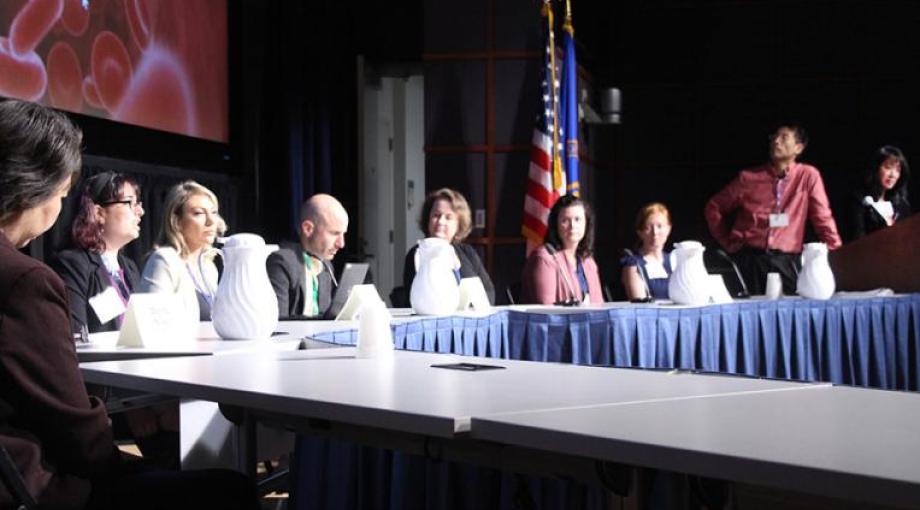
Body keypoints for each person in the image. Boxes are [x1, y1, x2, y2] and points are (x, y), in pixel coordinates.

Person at [0, 99, 258, 509]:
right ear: (35, 186)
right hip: (36, 486)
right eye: (62, 193)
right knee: (233, 491)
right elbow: (76, 433)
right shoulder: (25, 281)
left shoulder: (127, 269)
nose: (58, 206)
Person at [704, 124, 842, 295]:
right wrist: (727, 242)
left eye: (784, 138)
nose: (776, 141)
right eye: (774, 137)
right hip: (749, 259)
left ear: (798, 148)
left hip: (786, 261)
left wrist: (836, 253)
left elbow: (822, 217)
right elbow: (714, 207)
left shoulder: (807, 176)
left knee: (789, 315)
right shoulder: (748, 178)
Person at [50, 172, 144, 335]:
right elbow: (75, 336)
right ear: (99, 213)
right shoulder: (73, 264)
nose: (140, 211)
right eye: (130, 202)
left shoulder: (130, 268)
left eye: (139, 203)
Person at [140, 181, 225, 323]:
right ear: (176, 221)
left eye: (214, 212)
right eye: (199, 213)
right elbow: (151, 324)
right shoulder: (164, 260)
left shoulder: (208, 267)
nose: (211, 221)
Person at [402, 188, 495, 304]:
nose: (441, 221)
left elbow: (489, 292)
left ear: (459, 224)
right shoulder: (417, 254)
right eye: (436, 215)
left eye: (448, 217)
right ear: (428, 219)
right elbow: (414, 300)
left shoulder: (467, 252)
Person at [267, 193, 349, 318]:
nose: (341, 244)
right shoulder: (281, 262)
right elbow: (278, 321)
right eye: (334, 233)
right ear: (308, 229)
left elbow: (323, 315)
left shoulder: (326, 265)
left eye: (343, 234)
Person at [521, 194, 603, 305]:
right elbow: (546, 311)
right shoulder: (544, 259)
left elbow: (600, 306)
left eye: (577, 219)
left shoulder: (588, 262)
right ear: (556, 225)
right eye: (565, 220)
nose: (573, 226)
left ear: (586, 224)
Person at [850, 145, 912, 240]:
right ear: (876, 168)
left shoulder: (902, 205)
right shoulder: (860, 201)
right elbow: (857, 238)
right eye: (888, 167)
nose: (893, 175)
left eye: (897, 170)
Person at [621, 202, 673, 300]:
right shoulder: (634, 265)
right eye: (648, 228)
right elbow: (641, 307)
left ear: (668, 229)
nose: (655, 233)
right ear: (640, 232)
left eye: (660, 226)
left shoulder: (675, 260)